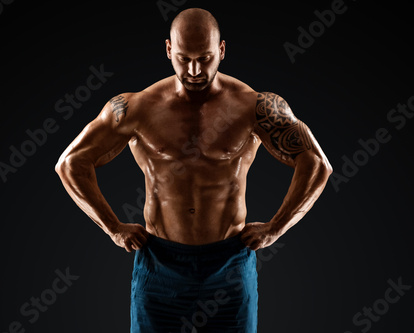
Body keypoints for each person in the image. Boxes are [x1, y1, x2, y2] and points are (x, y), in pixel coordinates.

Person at [55, 7, 332, 333]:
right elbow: (71, 163)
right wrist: (113, 227)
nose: (195, 69)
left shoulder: (254, 106)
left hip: (230, 262)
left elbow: (316, 163)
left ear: (222, 51)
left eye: (205, 57)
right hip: (159, 264)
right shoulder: (136, 108)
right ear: (169, 50)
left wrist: (276, 228)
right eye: (184, 58)